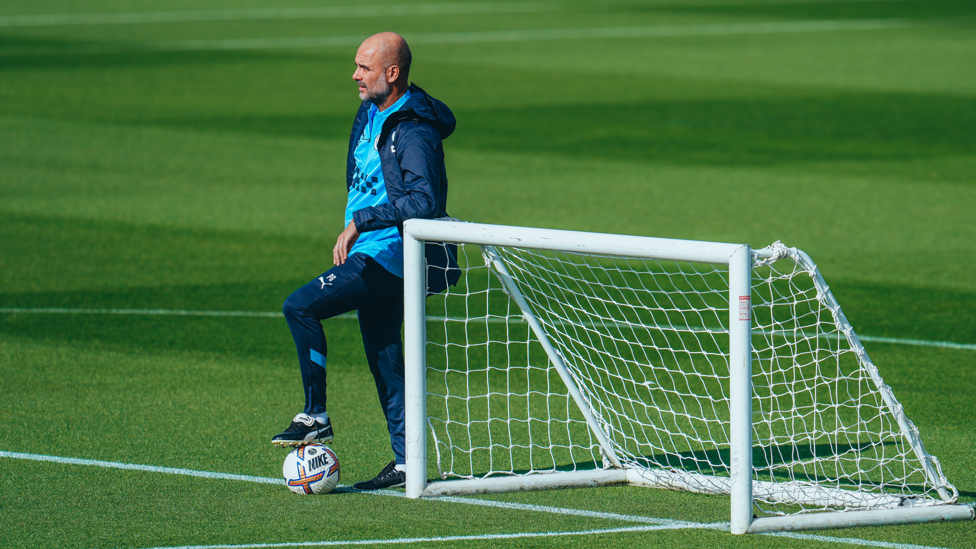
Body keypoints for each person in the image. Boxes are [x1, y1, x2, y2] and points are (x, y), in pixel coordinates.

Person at [274, 32, 456, 490]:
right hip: (373, 252)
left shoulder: (413, 131)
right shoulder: (371, 110)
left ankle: (315, 415)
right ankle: (406, 461)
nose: (355, 75)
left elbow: (425, 201)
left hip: (389, 256)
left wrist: (361, 220)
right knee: (385, 356)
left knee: (301, 306)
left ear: (392, 74)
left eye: (364, 68)